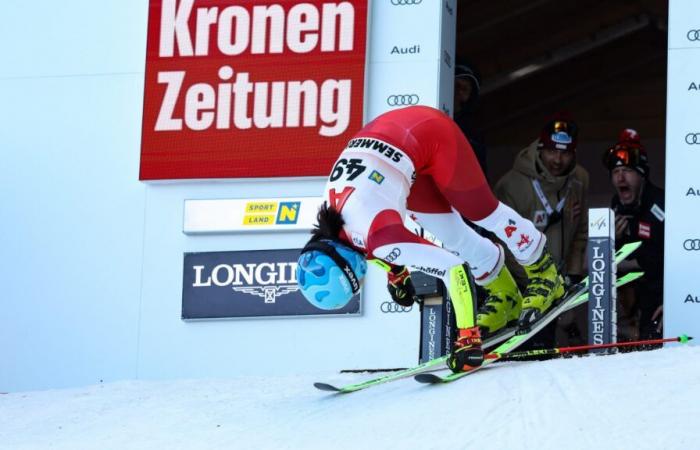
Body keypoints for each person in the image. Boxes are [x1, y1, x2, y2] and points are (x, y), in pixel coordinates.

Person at [295, 105, 564, 373]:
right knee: (451, 235)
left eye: (358, 282)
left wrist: (467, 338)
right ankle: (505, 295)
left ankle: (545, 272)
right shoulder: (333, 229)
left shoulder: (378, 237)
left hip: (429, 132)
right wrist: (396, 274)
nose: (363, 282)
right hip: (397, 151)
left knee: (480, 210)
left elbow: (452, 268)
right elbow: (363, 244)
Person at [492, 114, 589, 346]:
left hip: (556, 285)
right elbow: (501, 243)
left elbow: (580, 234)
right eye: (552, 151)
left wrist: (571, 280)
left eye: (565, 153)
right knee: (519, 349)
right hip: (521, 284)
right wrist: (536, 283)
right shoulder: (511, 185)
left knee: (544, 349)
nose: (558, 159)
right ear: (540, 148)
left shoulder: (580, 180)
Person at [604, 129, 664, 341]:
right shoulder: (616, 205)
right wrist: (615, 239)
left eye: (628, 170)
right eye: (615, 171)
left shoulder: (661, 206)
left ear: (641, 174)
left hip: (663, 301)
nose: (620, 177)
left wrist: (675, 302)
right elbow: (619, 261)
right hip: (634, 304)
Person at [454, 63, 488, 176]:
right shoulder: (431, 113)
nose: (460, 92)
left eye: (465, 89)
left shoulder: (473, 133)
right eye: (456, 86)